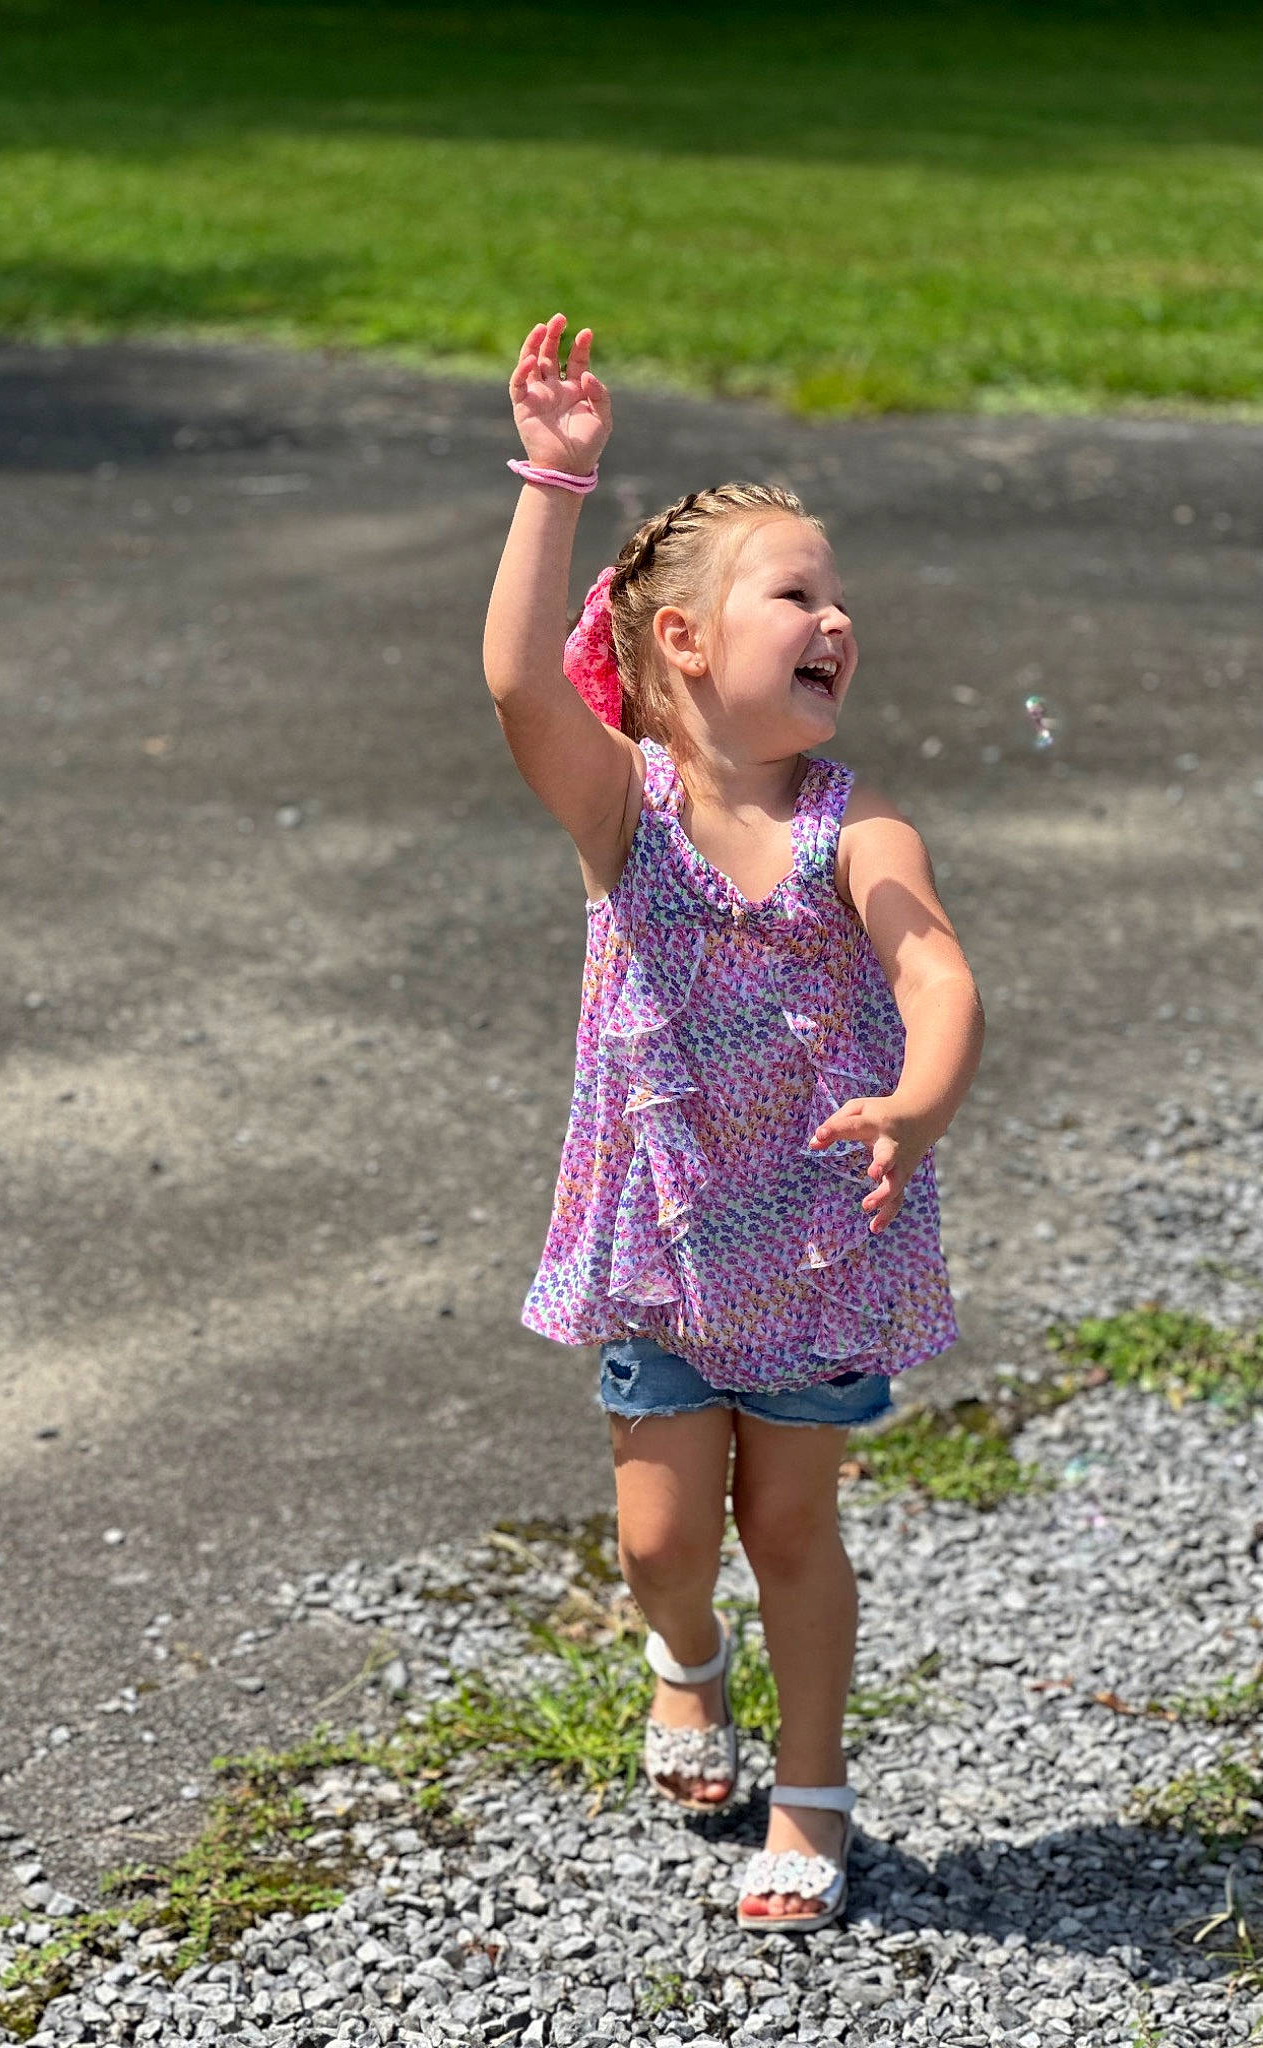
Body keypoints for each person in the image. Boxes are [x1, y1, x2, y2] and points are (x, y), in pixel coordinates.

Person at [482, 314, 984, 1933]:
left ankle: (816, 1793)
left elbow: (935, 964)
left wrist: (919, 1091)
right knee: (661, 1535)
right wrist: (553, 478)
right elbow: (509, 679)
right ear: (686, 643)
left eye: (842, 601)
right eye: (797, 593)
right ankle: (681, 1663)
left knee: (794, 1526)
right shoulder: (624, 813)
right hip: (666, 1242)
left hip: (824, 1245)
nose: (837, 618)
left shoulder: (860, 824)